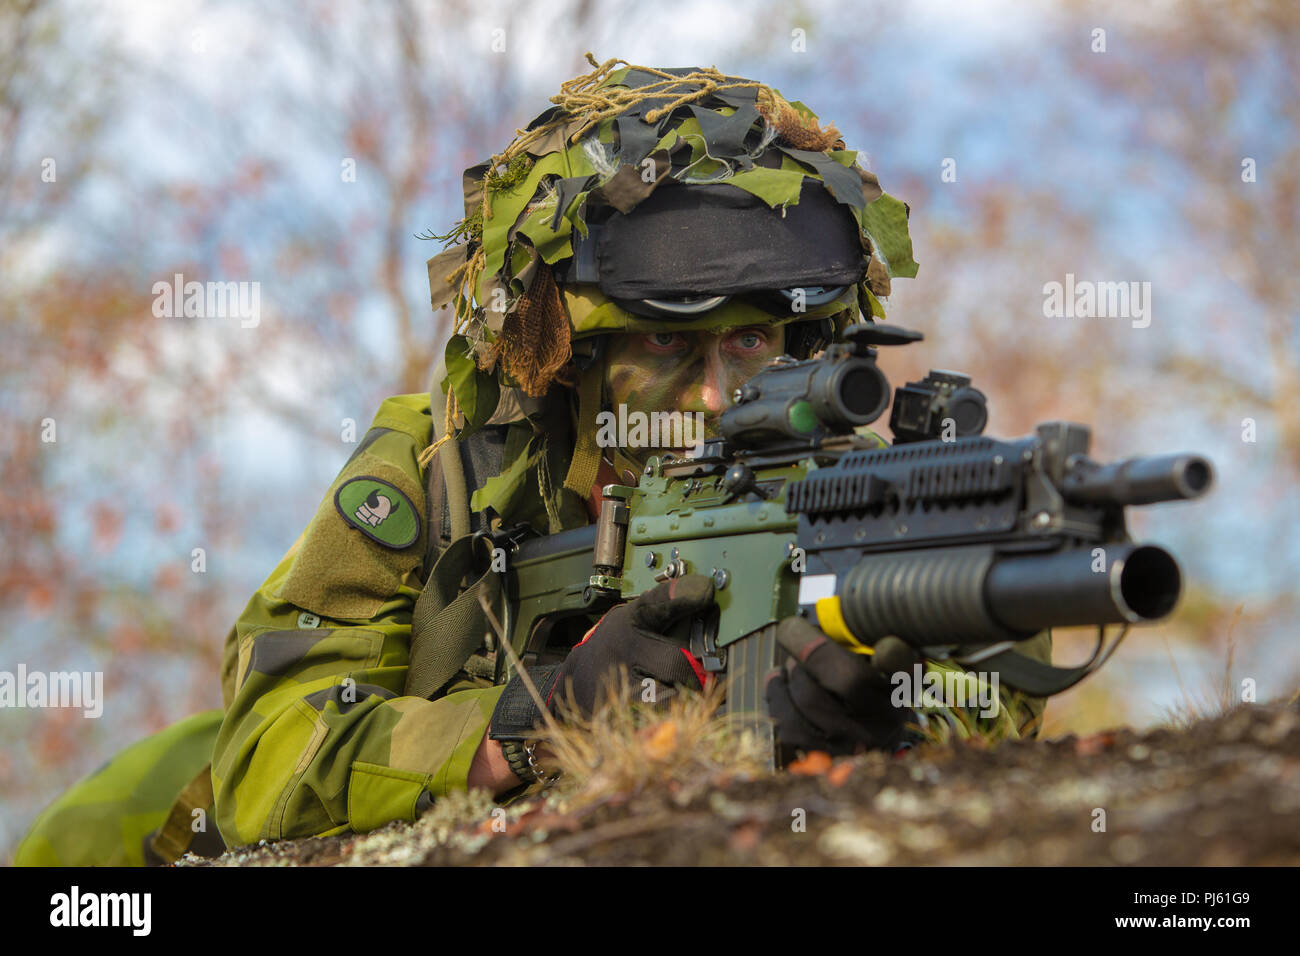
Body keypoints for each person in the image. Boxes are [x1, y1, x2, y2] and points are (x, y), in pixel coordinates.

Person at [13, 55, 1050, 864]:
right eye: (661, 344)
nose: (710, 394)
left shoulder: (858, 496)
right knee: (100, 825)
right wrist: (525, 720)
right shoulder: (445, 468)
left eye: (750, 342)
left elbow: (986, 699)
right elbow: (268, 737)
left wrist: (890, 717)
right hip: (188, 819)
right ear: (568, 355)